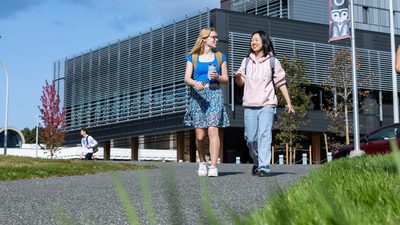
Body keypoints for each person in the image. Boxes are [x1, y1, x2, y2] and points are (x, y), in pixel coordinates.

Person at [235, 31, 295, 177]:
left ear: (264, 42)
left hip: (267, 105)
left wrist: (289, 102)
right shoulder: (246, 61)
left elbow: (281, 83)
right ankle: (256, 162)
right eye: (252, 40)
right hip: (249, 105)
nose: (253, 42)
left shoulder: (273, 61)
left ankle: (263, 167)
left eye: (256, 40)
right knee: (250, 138)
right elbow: (240, 83)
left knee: (264, 135)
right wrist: (238, 77)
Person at [183, 27, 230, 177]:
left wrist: (218, 77)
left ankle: (214, 166)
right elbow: (186, 78)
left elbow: (226, 79)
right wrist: (194, 83)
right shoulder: (193, 57)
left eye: (216, 37)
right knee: (200, 136)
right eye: (213, 37)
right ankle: (202, 162)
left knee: (213, 130)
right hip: (198, 95)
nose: (216, 39)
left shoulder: (220, 57)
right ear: (204, 39)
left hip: (214, 93)